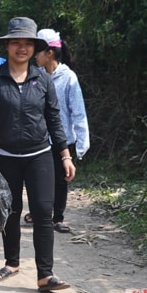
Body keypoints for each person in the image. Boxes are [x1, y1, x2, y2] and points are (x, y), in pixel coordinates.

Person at [0, 17, 76, 292]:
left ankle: (45, 275)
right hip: (4, 155)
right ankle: (12, 262)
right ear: (6, 46)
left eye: (28, 43)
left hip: (39, 154)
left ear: (34, 47)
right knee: (10, 211)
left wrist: (65, 155)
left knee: (43, 211)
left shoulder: (43, 78)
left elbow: (54, 119)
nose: (22, 48)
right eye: (16, 43)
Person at [24, 29, 90, 233]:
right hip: (39, 138)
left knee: (61, 181)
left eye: (38, 50)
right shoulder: (34, 76)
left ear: (49, 53)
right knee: (38, 179)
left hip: (63, 140)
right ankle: (37, 212)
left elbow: (78, 111)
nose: (34, 55)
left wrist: (81, 142)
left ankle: (57, 218)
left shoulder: (69, 78)